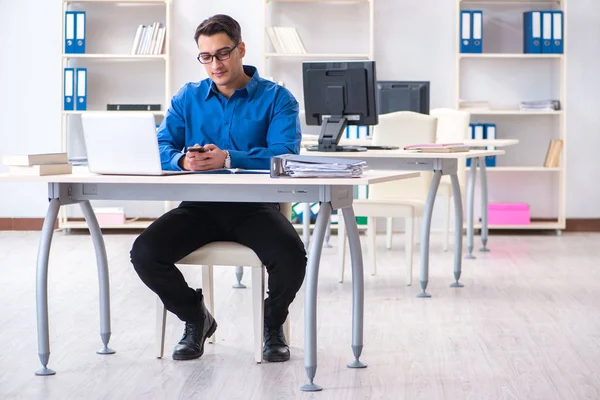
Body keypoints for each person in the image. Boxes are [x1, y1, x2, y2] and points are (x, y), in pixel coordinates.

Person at [130, 14, 307, 363]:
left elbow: (285, 155)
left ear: (241, 49)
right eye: (206, 56)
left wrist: (228, 158)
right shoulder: (187, 98)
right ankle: (196, 318)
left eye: (223, 53)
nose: (215, 64)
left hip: (255, 207)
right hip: (199, 207)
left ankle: (273, 323)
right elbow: (160, 145)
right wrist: (183, 161)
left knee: (291, 256)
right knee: (145, 254)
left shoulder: (277, 99)